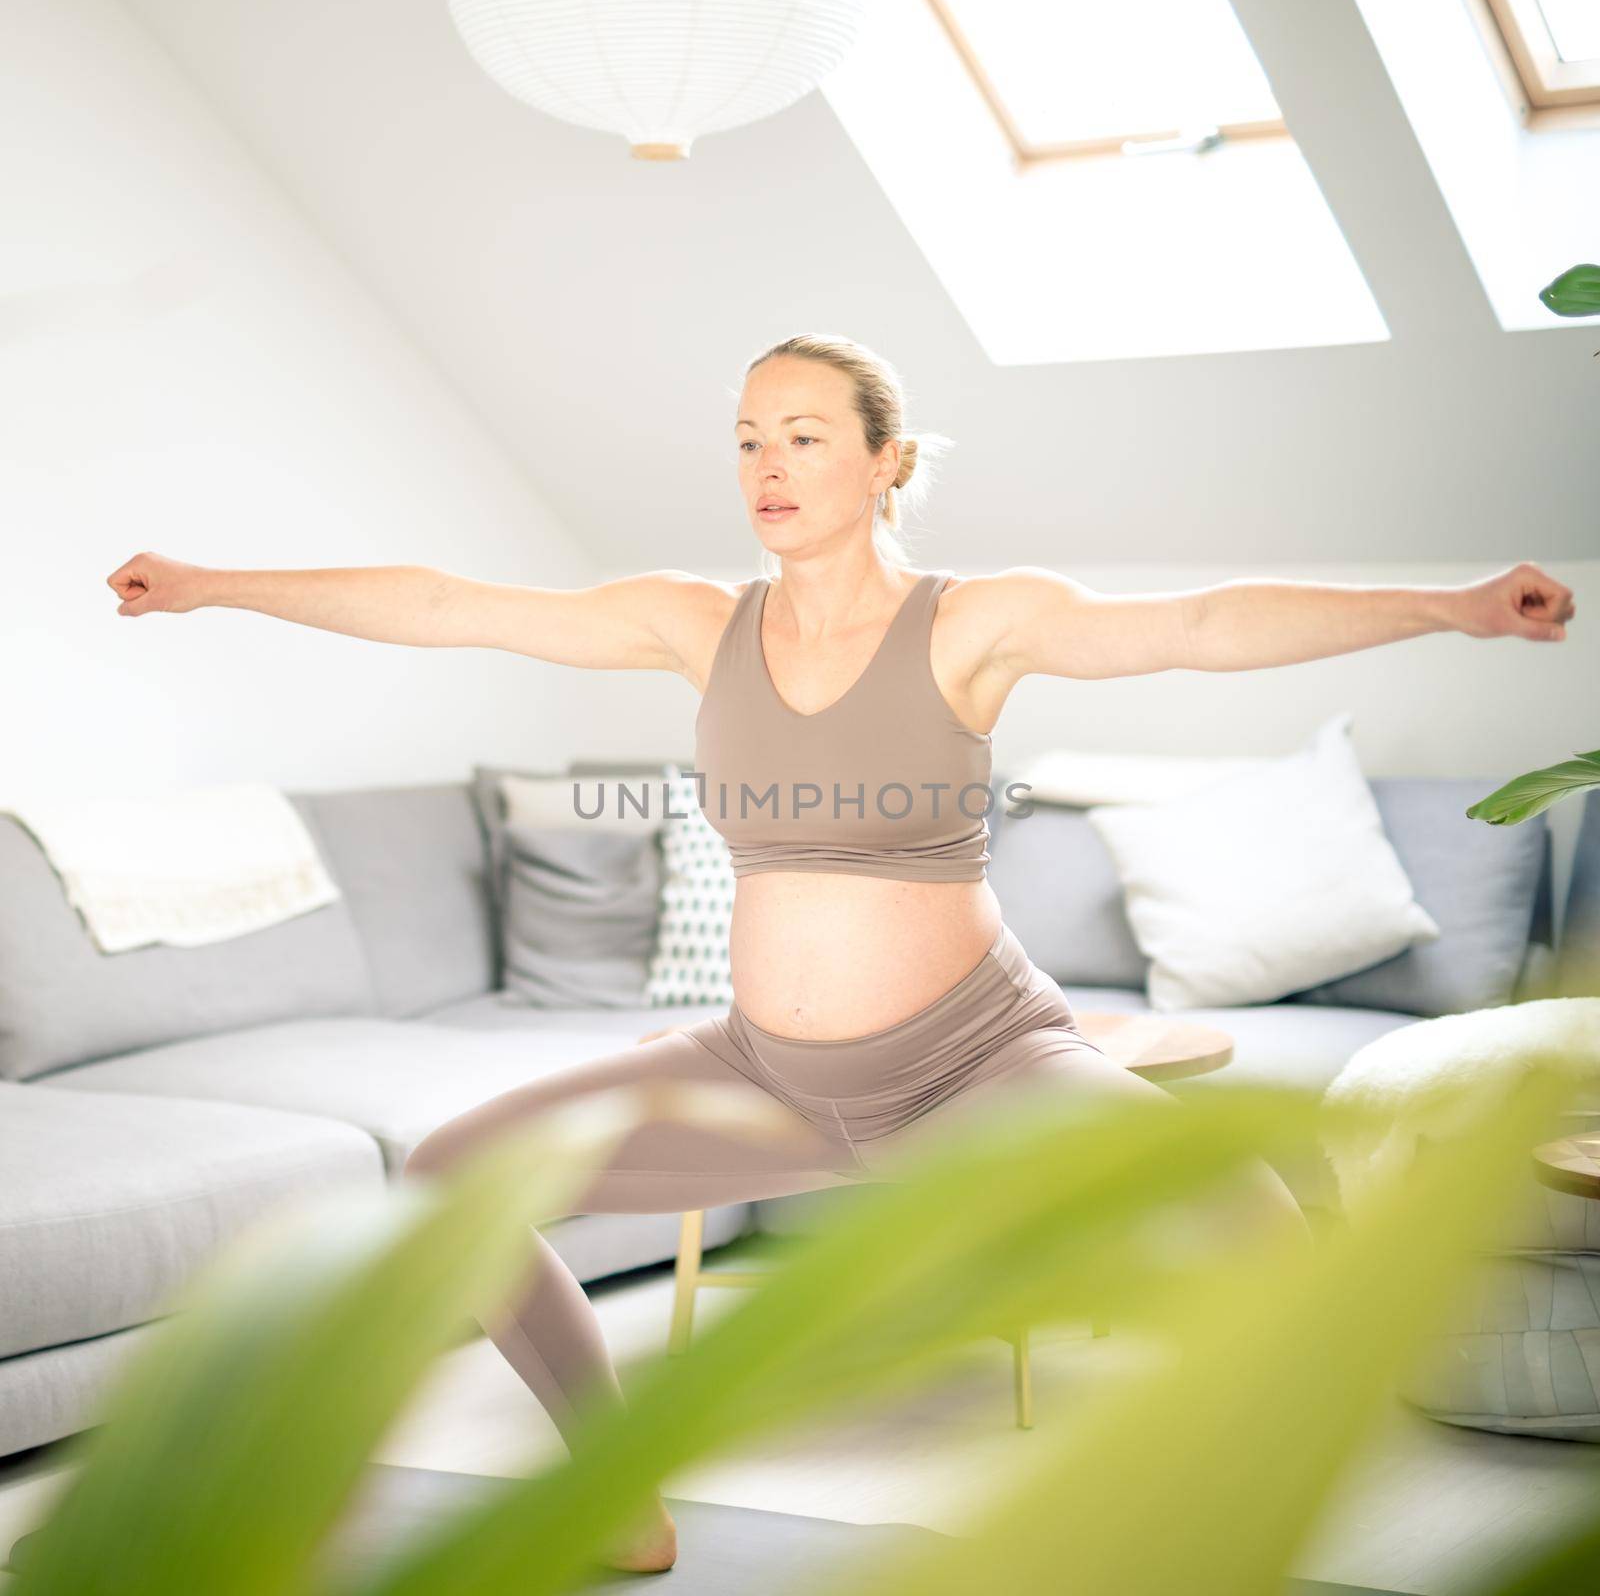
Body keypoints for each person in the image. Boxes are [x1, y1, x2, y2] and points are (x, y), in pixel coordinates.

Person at [106, 333, 1575, 1573]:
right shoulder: (697, 624)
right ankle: (612, 1484)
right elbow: (444, 603)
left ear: (887, 462)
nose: (768, 466)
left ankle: (1279, 1528)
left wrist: (1445, 609)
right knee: (450, 1181)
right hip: (762, 1075)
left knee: (1249, 1213)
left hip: (974, 1062)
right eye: (749, 438)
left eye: (805, 435)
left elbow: (1194, 625)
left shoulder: (971, 627)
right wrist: (217, 583)